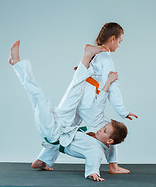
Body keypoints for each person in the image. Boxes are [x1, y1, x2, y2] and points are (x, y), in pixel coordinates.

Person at [9, 40, 128, 181]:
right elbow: (99, 106)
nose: (101, 128)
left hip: (53, 132)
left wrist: (93, 173)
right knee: (75, 89)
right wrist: (108, 82)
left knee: (40, 98)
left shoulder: (96, 150)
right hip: (64, 125)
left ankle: (16, 64)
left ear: (109, 140)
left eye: (104, 130)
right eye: (104, 127)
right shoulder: (97, 130)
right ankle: (86, 56)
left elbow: (93, 163)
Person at [33, 22, 138, 174]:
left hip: (80, 94)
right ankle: (113, 166)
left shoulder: (95, 55)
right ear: (113, 39)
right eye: (120, 41)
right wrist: (123, 111)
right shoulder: (106, 58)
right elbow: (113, 88)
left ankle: (42, 160)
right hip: (89, 101)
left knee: (63, 129)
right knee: (111, 129)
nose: (119, 45)